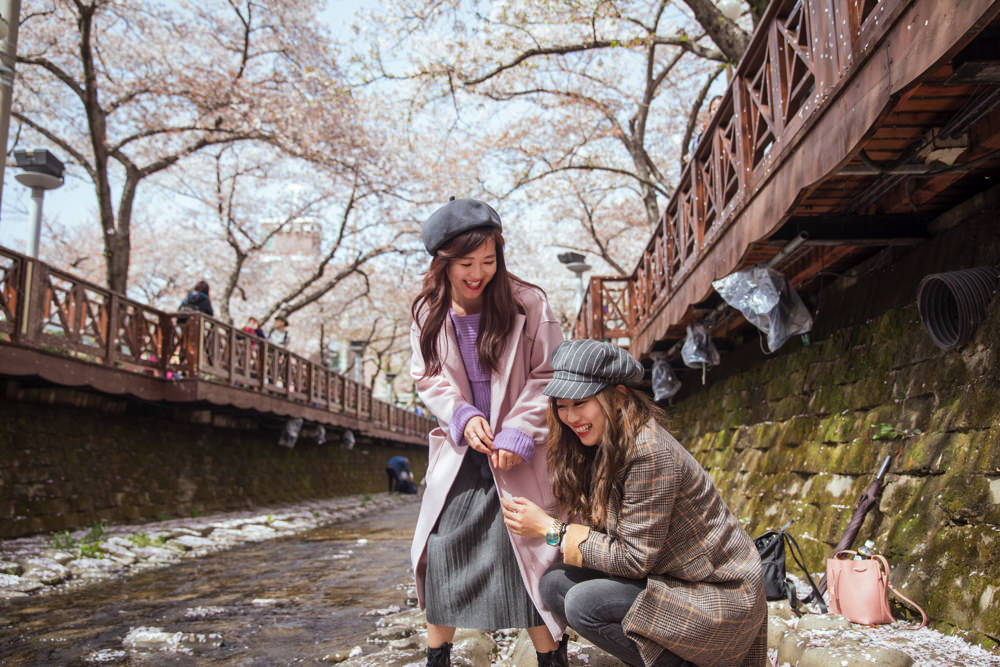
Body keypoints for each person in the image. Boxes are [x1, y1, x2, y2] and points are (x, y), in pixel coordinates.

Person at [501, 339, 767, 667]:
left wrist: (551, 529)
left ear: (618, 397)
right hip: (667, 578)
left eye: (580, 402)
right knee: (555, 584)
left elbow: (633, 558)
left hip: (717, 596)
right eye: (562, 405)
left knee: (584, 604)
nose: (570, 416)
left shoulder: (648, 453)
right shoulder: (600, 443)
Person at [409, 198, 568, 667]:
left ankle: (551, 658)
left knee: (526, 557)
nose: (478, 273)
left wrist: (520, 430)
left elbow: (550, 373)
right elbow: (427, 376)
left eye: (488, 260)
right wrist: (460, 414)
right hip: (463, 453)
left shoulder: (529, 302)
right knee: (443, 551)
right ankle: (437, 657)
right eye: (466, 264)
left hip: (519, 455)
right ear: (443, 263)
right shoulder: (428, 311)